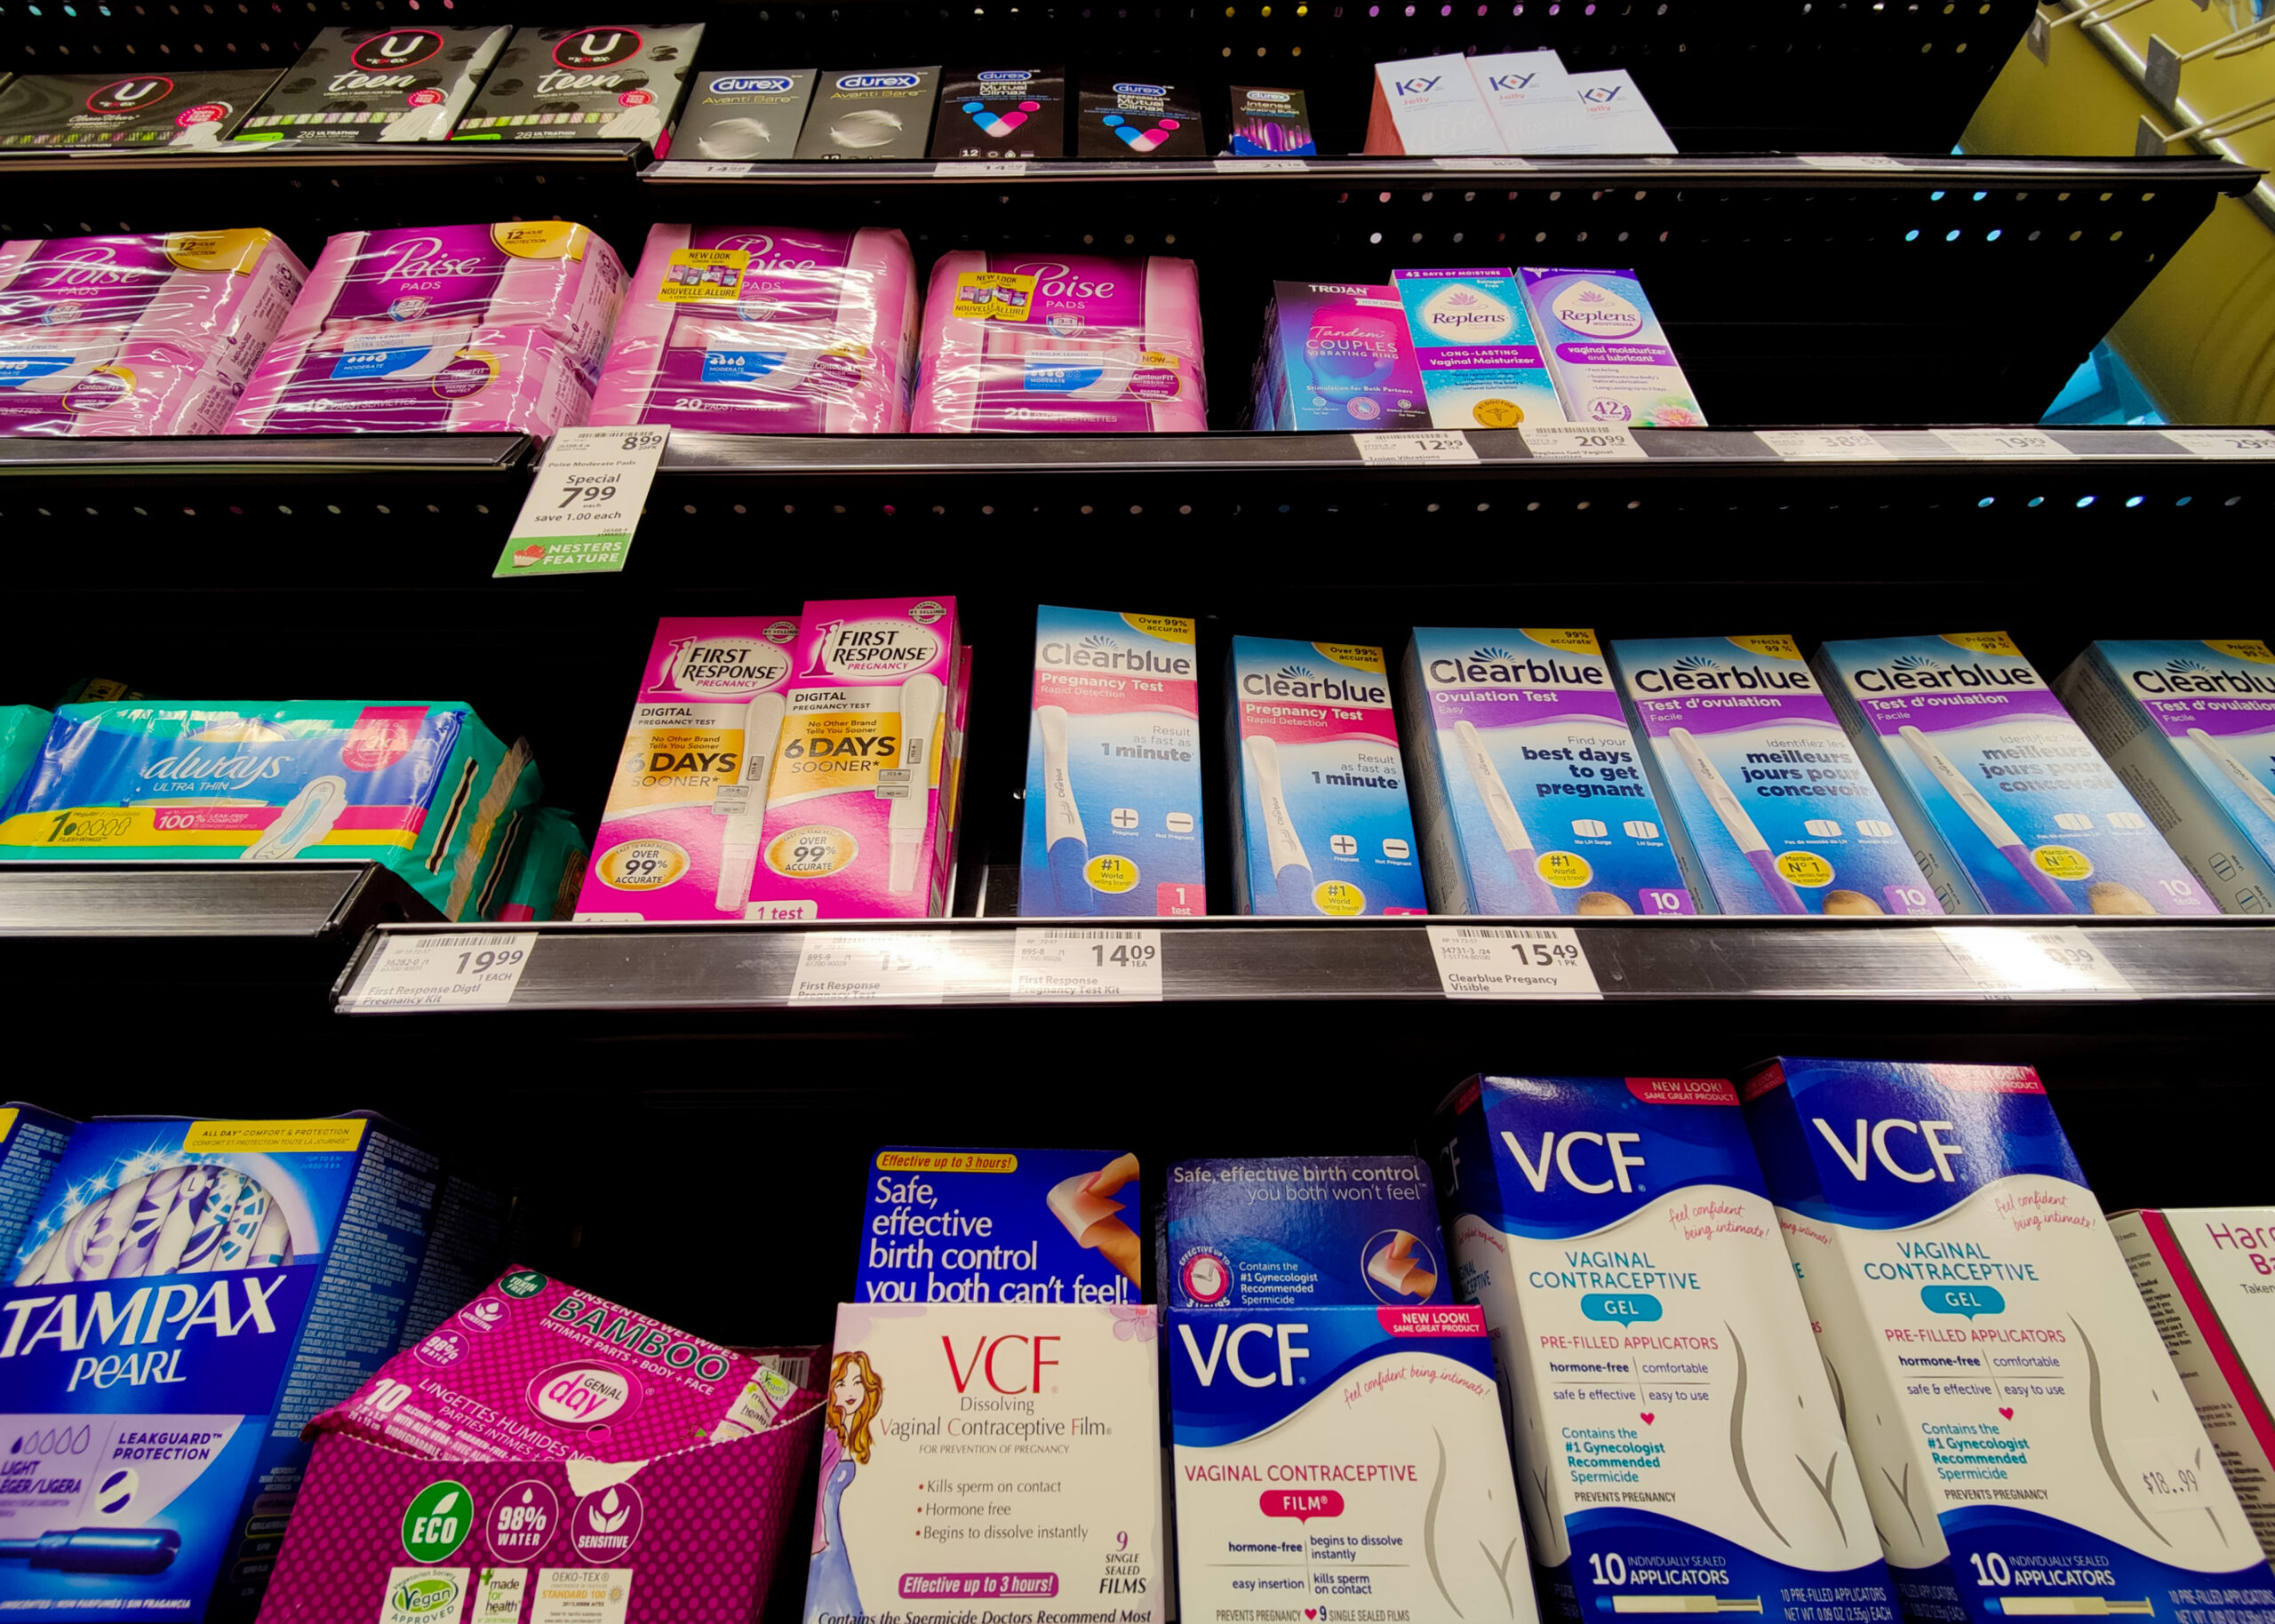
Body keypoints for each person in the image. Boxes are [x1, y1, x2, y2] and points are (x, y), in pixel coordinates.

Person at [807, 1349, 882, 1623]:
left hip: (838, 1534)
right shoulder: (830, 1438)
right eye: (841, 1382)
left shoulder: (858, 1435)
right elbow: (822, 1487)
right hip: (823, 1537)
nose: (851, 1390)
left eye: (857, 1381)